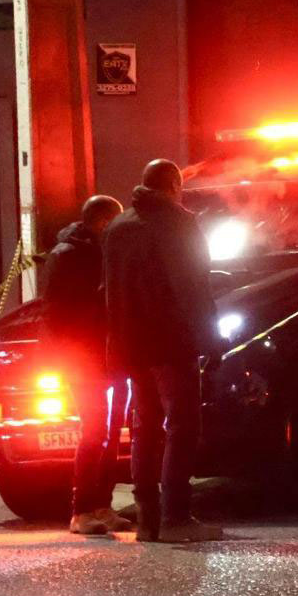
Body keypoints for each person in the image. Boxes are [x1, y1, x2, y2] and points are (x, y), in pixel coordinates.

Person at [103, 159, 222, 543]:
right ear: (173, 185)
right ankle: (176, 517)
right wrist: (211, 340)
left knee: (145, 428)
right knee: (182, 427)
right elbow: (194, 287)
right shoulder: (179, 224)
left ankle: (148, 518)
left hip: (133, 345)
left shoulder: (118, 227)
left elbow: (110, 292)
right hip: (172, 343)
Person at [43, 195, 130, 535]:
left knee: (110, 431)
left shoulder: (96, 251)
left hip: (107, 354)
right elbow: (61, 313)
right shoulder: (70, 256)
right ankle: (81, 511)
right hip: (85, 357)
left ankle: (101, 506)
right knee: (94, 431)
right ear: (104, 222)